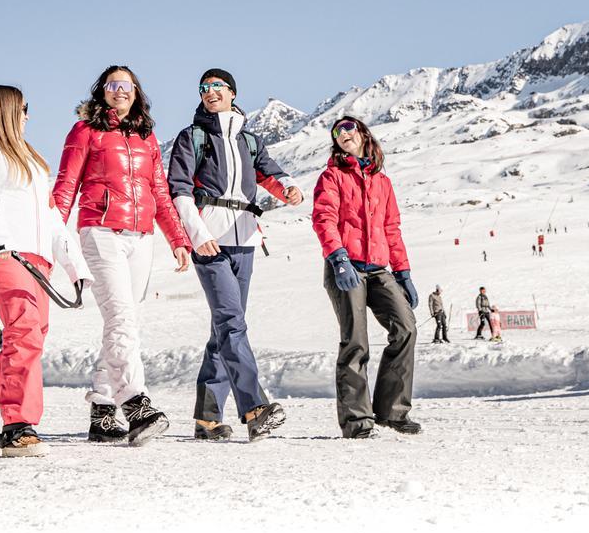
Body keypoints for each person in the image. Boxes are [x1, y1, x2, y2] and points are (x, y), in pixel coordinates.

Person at [0, 84, 89, 456]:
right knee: (24, 329)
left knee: (32, 336)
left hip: (37, 258)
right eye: (24, 108)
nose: (28, 115)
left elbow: (52, 217)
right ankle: (18, 426)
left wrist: (76, 266)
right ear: (7, 108)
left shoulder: (31, 159)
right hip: (2, 254)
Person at [52, 65, 193, 445]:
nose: (120, 91)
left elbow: (160, 192)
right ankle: (135, 404)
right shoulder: (86, 131)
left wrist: (177, 238)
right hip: (100, 231)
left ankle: (101, 409)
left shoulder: (146, 136)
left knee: (124, 323)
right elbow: (66, 185)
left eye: (127, 85)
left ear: (137, 92)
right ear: (102, 91)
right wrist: (49, 237)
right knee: (121, 318)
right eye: (113, 85)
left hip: (141, 237)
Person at [169, 69, 302, 442]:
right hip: (209, 240)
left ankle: (208, 417)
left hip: (245, 239)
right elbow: (178, 189)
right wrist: (197, 233)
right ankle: (255, 407)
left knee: (224, 328)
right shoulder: (192, 137)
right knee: (231, 322)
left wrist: (289, 188)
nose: (209, 92)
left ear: (232, 93)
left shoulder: (249, 139)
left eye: (217, 87)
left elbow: (269, 173)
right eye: (204, 88)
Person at [313, 115, 420, 439]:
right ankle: (357, 421)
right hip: (345, 268)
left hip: (378, 270)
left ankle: (391, 411)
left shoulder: (382, 182)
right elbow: (324, 218)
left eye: (348, 128)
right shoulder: (332, 176)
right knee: (356, 341)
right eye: (337, 132)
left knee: (406, 328)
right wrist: (338, 257)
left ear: (362, 135)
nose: (342, 133)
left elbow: (391, 229)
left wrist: (402, 272)